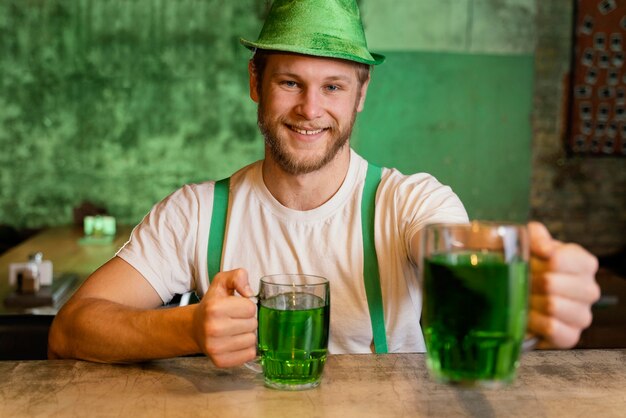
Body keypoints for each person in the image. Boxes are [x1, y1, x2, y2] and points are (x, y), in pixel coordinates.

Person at [48, 0, 600, 367]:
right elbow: (71, 330)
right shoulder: (194, 212)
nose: (311, 110)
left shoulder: (409, 202)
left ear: (361, 95)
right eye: (290, 81)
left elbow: (448, 246)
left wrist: (515, 276)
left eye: (333, 86)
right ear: (256, 83)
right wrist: (187, 330)